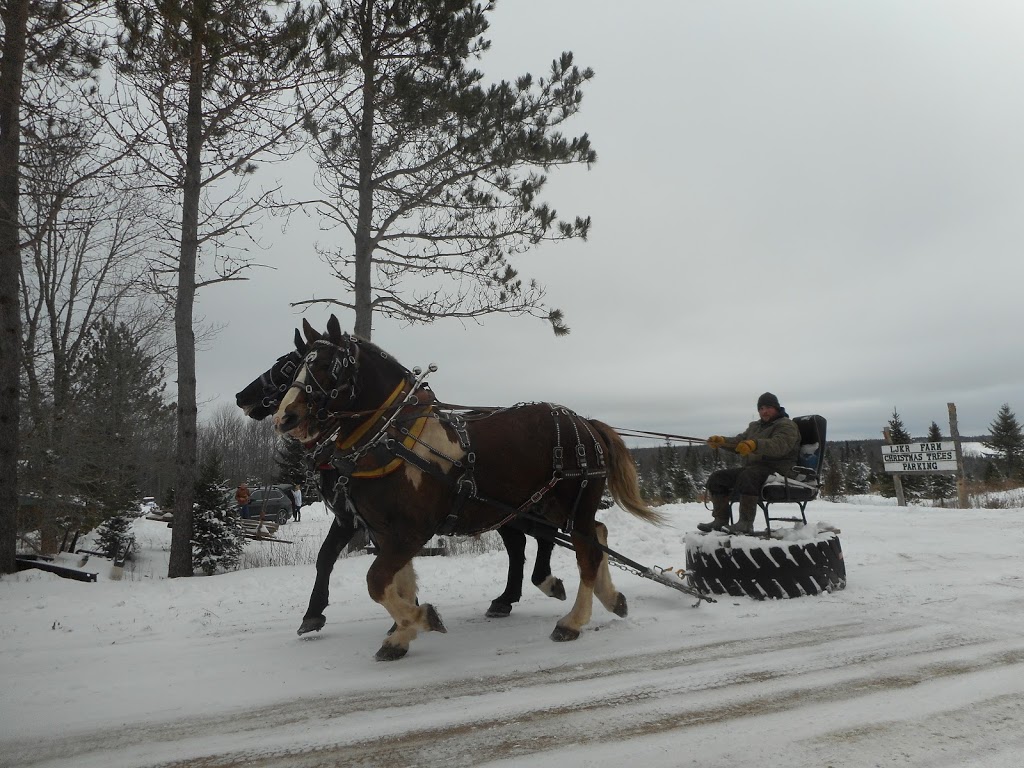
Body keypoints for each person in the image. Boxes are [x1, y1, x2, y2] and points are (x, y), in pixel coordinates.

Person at [697, 392, 801, 534]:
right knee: (717, 478)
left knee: (749, 475)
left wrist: (754, 444)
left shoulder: (787, 425)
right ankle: (720, 520)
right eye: (761, 408)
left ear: (776, 408)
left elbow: (780, 445)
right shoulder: (755, 427)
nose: (764, 411)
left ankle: (745, 523)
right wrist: (721, 441)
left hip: (779, 470)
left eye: (768, 407)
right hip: (756, 469)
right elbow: (739, 442)